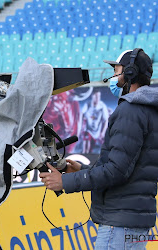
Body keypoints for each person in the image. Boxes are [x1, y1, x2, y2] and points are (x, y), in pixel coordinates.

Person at [40, 48, 158, 249]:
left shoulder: (130, 110)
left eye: (116, 69)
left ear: (129, 72)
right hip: (134, 223)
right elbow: (131, 168)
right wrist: (82, 171)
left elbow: (117, 171)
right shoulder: (149, 110)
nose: (113, 75)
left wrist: (65, 182)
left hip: (118, 225)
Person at [80, 89, 109, 154]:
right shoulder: (88, 104)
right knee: (85, 148)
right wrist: (81, 126)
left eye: (99, 96)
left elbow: (106, 120)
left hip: (96, 132)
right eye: (96, 96)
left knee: (91, 149)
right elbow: (81, 114)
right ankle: (83, 157)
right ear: (92, 96)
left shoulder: (102, 106)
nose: (97, 98)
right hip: (88, 130)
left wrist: (103, 132)